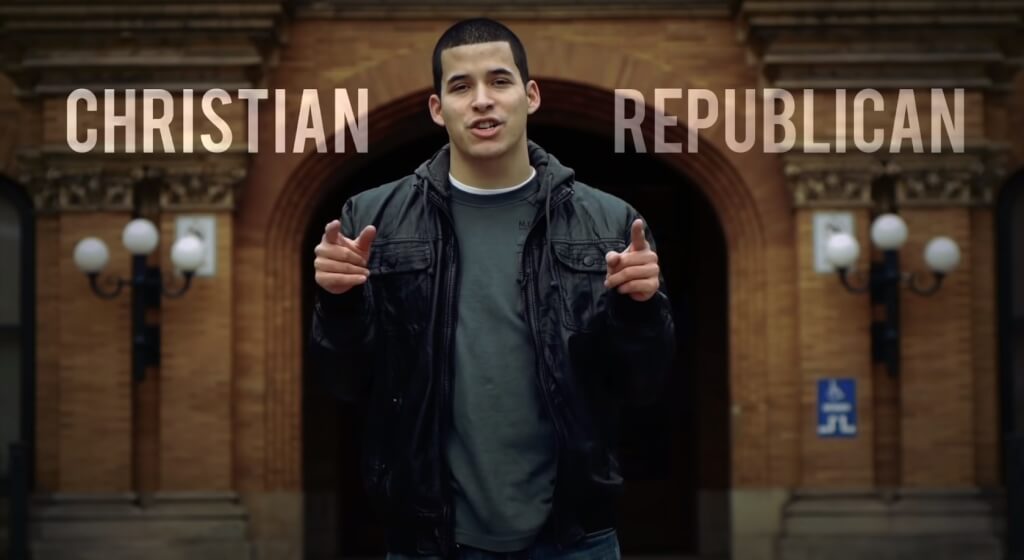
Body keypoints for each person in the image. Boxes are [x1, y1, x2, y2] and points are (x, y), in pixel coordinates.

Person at [310, 18, 675, 560]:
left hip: (575, 538)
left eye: (499, 82)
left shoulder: (608, 222)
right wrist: (338, 307)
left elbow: (643, 385)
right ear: (438, 108)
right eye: (461, 86)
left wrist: (642, 313)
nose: (482, 100)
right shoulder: (372, 220)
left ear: (529, 96)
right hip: (427, 541)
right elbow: (345, 382)